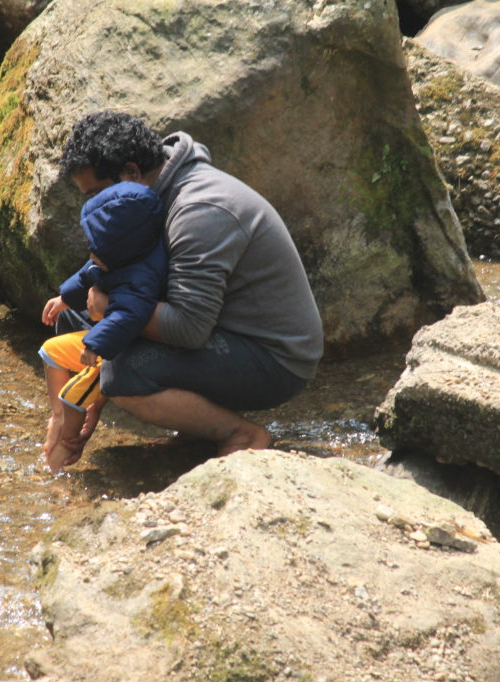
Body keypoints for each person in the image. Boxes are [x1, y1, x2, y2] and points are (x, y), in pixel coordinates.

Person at [51, 110, 323, 463]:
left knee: (122, 373)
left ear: (131, 172)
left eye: (95, 194)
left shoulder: (199, 209)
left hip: (275, 357)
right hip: (222, 330)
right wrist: (83, 400)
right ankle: (196, 429)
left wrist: (107, 311)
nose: (93, 208)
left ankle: (241, 435)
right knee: (72, 321)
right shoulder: (144, 198)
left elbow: (188, 327)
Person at [39, 180, 167, 472]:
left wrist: (96, 342)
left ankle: (60, 455)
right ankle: (58, 417)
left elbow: (129, 316)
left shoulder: (141, 276)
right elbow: (87, 275)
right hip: (102, 340)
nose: (91, 253)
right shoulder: (111, 258)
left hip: (120, 348)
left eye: (97, 249)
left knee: (74, 394)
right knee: (51, 351)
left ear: (122, 250)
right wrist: (64, 299)